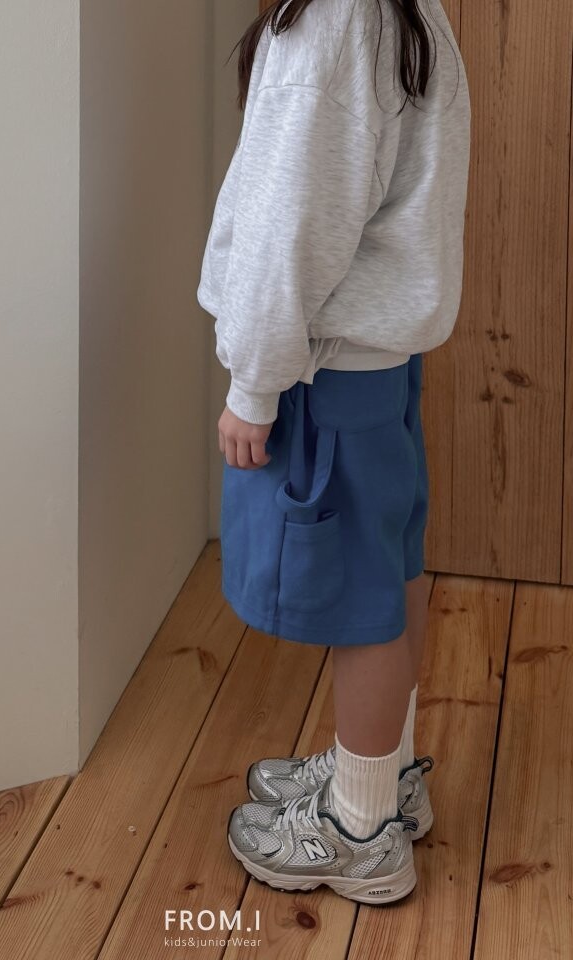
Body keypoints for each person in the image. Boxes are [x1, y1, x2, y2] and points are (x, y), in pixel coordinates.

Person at [196, 0, 471, 904]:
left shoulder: (334, 23)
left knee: (360, 599)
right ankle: (380, 776)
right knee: (388, 570)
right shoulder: (394, 10)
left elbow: (292, 227)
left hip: (327, 371)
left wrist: (253, 386)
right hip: (374, 365)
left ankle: (360, 831)